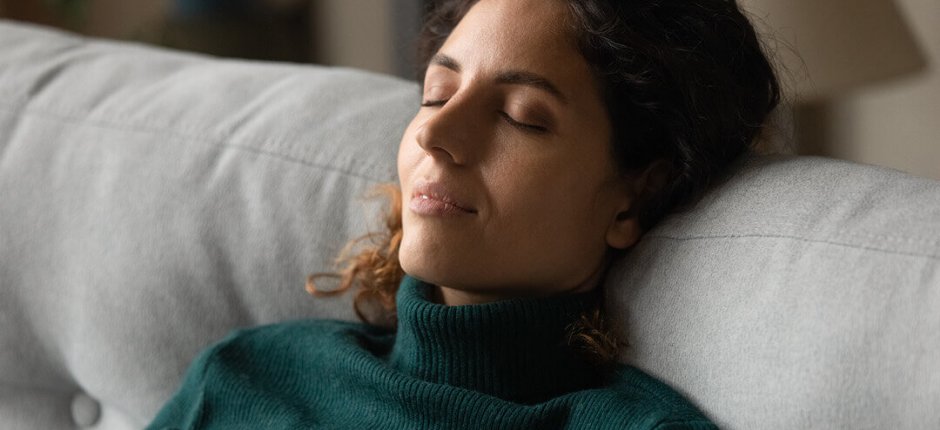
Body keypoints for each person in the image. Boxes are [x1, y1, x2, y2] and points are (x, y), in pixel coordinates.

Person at [148, 0, 779, 428]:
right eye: (436, 93)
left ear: (635, 195)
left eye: (520, 117)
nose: (435, 133)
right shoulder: (246, 378)